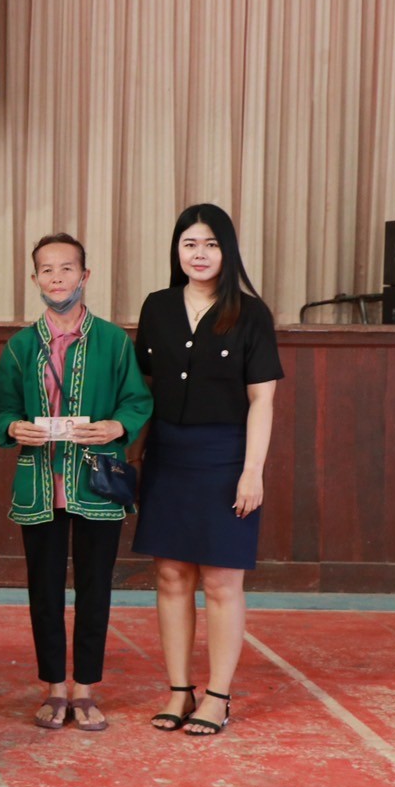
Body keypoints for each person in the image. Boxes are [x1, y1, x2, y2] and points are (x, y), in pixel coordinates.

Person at [0, 234, 152, 731]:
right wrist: (14, 427)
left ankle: (85, 688)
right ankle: (54, 686)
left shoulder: (113, 341)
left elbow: (137, 400)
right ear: (34, 278)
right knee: (44, 589)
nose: (57, 278)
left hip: (97, 481)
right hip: (40, 483)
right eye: (47, 270)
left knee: (96, 587)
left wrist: (117, 426)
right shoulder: (21, 346)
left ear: (85, 275)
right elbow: (1, 407)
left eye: (67, 268)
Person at [132, 204, 283, 736]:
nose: (199, 254)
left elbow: (262, 400)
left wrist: (253, 471)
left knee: (221, 580)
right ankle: (179, 690)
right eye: (190, 243)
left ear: (228, 251)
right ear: (177, 250)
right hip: (167, 456)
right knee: (171, 575)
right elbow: (143, 390)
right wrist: (134, 456)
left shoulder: (251, 314)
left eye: (211, 244)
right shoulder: (157, 307)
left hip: (225, 457)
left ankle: (218, 695)